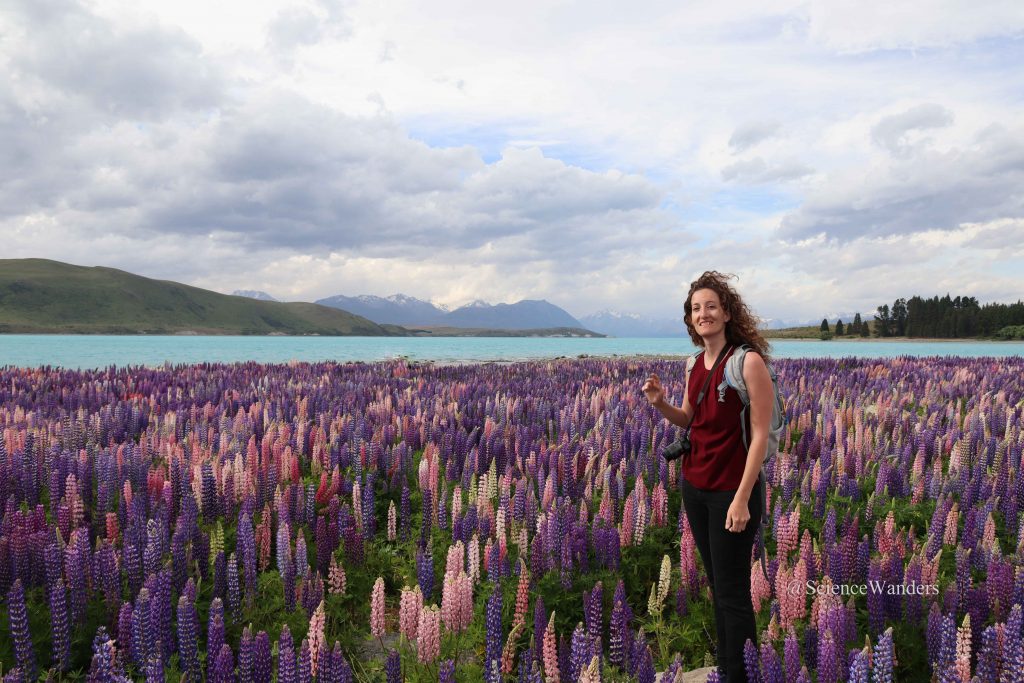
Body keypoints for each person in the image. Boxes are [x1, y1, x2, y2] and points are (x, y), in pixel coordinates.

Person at [642, 270, 774, 683]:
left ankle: (741, 675)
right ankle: (730, 667)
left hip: (731, 493)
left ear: (728, 312)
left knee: (733, 592)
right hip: (695, 486)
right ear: (690, 319)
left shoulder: (748, 361)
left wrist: (741, 497)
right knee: (718, 585)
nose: (704, 314)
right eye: (696, 309)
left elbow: (759, 436)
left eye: (711, 306)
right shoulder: (694, 364)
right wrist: (661, 404)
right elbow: (688, 418)